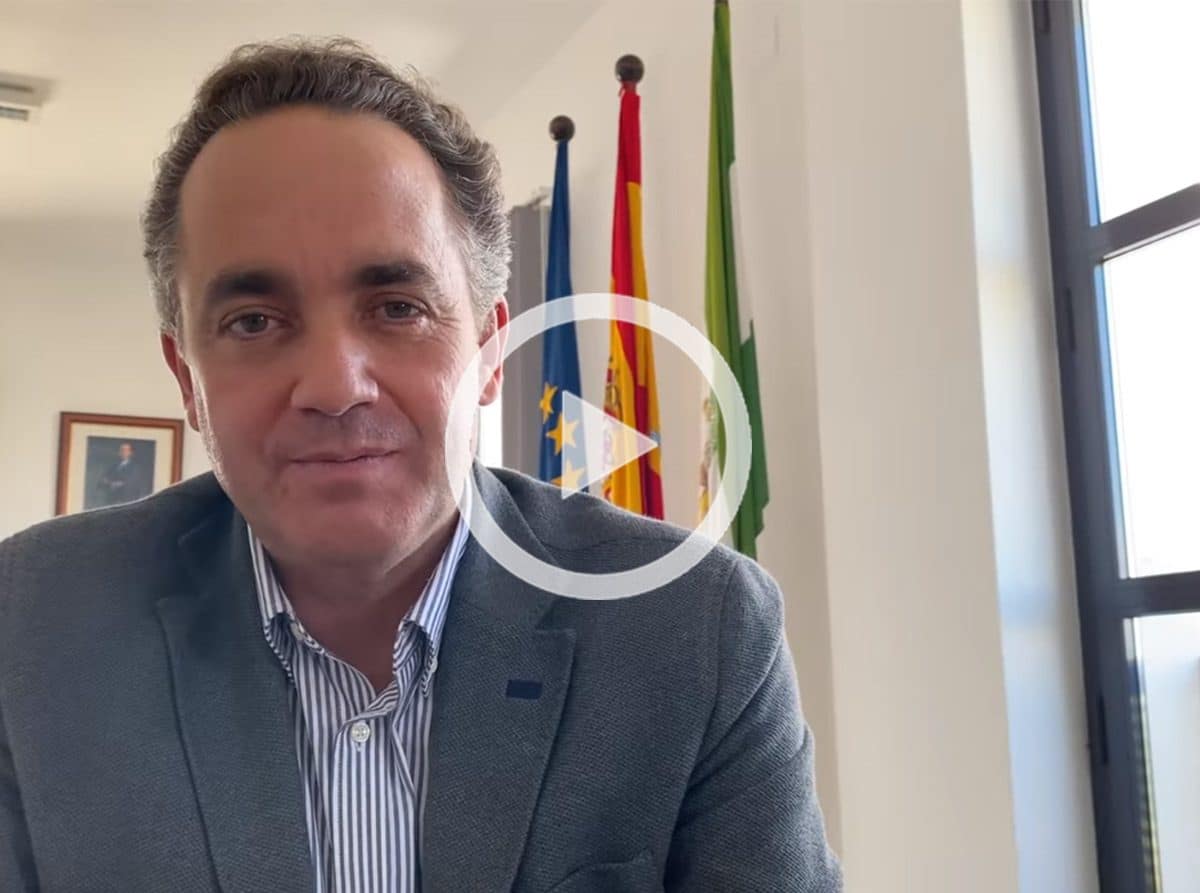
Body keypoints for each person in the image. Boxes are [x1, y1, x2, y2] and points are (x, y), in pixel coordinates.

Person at [0, 38, 841, 892]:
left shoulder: (696, 629)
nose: (335, 386)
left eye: (397, 307)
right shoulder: (29, 627)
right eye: (254, 321)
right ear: (187, 378)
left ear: (489, 349)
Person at [93, 441, 152, 507]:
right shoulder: (113, 467)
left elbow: (132, 484)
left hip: (127, 501)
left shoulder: (135, 468)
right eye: (122, 450)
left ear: (130, 453)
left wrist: (117, 483)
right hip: (111, 501)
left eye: (126, 450)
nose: (123, 452)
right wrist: (110, 483)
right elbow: (102, 481)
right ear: (119, 452)